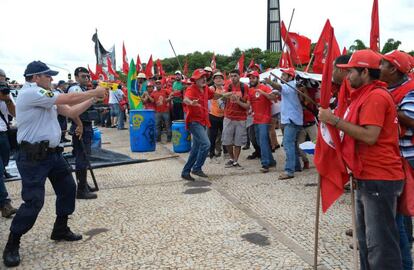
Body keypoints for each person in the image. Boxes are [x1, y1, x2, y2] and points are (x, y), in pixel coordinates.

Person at [2, 61, 107, 267]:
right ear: (35, 77)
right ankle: (13, 243)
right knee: (33, 202)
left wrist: (94, 97)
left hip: (52, 155)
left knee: (68, 189)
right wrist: (94, 91)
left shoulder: (44, 96)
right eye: (47, 76)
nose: (50, 78)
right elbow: (67, 98)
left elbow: (69, 111)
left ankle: (60, 229)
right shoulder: (30, 93)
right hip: (33, 157)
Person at [319, 49, 404, 270]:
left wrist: (334, 120)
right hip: (365, 174)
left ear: (365, 71)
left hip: (379, 177)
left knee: (381, 246)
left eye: (351, 72)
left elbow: (369, 136)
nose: (347, 77)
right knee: (366, 242)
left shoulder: (375, 96)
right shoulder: (364, 95)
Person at [380, 49, 414, 270]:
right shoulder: (385, 88)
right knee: (400, 210)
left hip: (408, 156)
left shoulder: (410, 90)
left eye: (382, 64)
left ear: (393, 69)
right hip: (393, 155)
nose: (378, 68)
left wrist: (384, 106)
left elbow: (410, 119)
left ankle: (405, 254)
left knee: (401, 210)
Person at [181, 69, 231, 181]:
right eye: (201, 77)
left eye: (205, 76)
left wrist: (227, 95)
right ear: (195, 79)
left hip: (203, 121)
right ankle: (197, 168)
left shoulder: (206, 89)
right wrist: (191, 102)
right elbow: (185, 99)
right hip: (194, 122)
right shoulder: (191, 88)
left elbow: (216, 95)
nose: (204, 79)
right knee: (206, 144)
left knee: (196, 148)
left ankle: (186, 171)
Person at [67, 67, 100, 200]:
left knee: (85, 157)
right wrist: (79, 124)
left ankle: (84, 184)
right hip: (80, 126)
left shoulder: (84, 90)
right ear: (76, 77)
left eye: (87, 76)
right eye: (82, 76)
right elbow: (72, 109)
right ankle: (81, 190)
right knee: (82, 157)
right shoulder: (75, 89)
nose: (86, 78)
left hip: (86, 125)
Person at [265, 68, 303, 179]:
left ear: (290, 77)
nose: (281, 77)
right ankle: (296, 166)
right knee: (292, 144)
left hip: (291, 119)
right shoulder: (293, 85)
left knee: (287, 144)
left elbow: (280, 87)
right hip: (293, 118)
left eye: (284, 75)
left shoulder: (290, 85)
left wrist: (271, 82)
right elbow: (278, 90)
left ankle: (289, 171)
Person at [246, 71, 277, 173]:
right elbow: (248, 104)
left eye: (253, 78)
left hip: (264, 118)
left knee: (263, 142)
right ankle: (271, 161)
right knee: (259, 142)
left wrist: (262, 92)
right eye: (250, 78)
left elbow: (273, 97)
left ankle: (265, 164)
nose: (251, 80)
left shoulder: (265, 87)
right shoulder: (250, 90)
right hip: (255, 119)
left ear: (258, 78)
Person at [222, 70, 250, 169]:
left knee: (238, 141)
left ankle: (235, 161)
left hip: (241, 118)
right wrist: (228, 94)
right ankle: (232, 158)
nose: (233, 78)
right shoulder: (228, 86)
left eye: (235, 76)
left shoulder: (244, 87)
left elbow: (247, 105)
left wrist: (238, 101)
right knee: (227, 141)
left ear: (239, 76)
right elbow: (222, 97)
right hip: (228, 117)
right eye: (231, 76)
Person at [0, 81, 17, 218]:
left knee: (3, 163)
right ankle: (5, 204)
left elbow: (14, 113)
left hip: (3, 134)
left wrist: (6, 100)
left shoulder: (6, 95)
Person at [208, 72, 227, 159]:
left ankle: (226, 152)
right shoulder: (211, 88)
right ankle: (211, 152)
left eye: (220, 78)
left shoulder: (225, 89)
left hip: (223, 115)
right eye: (216, 78)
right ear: (213, 80)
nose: (218, 79)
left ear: (223, 80)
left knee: (225, 135)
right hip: (213, 115)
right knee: (213, 135)